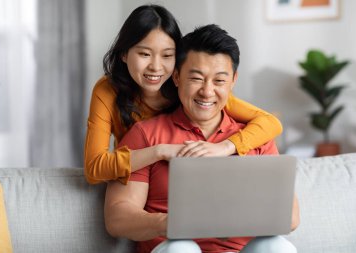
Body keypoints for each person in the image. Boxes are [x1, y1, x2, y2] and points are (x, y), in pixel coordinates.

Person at [104, 24, 300, 253]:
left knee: (276, 246)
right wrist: (168, 224)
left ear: (233, 81)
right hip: (174, 248)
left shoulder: (256, 137)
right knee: (181, 249)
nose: (207, 92)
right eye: (196, 79)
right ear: (176, 77)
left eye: (219, 81)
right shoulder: (146, 135)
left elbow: (291, 217)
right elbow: (117, 217)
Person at [84, 4, 283, 185]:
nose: (155, 67)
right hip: (136, 179)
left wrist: (226, 147)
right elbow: (94, 168)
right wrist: (160, 151)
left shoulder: (193, 88)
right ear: (124, 54)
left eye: (167, 55)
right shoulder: (108, 90)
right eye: (144, 54)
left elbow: (270, 122)